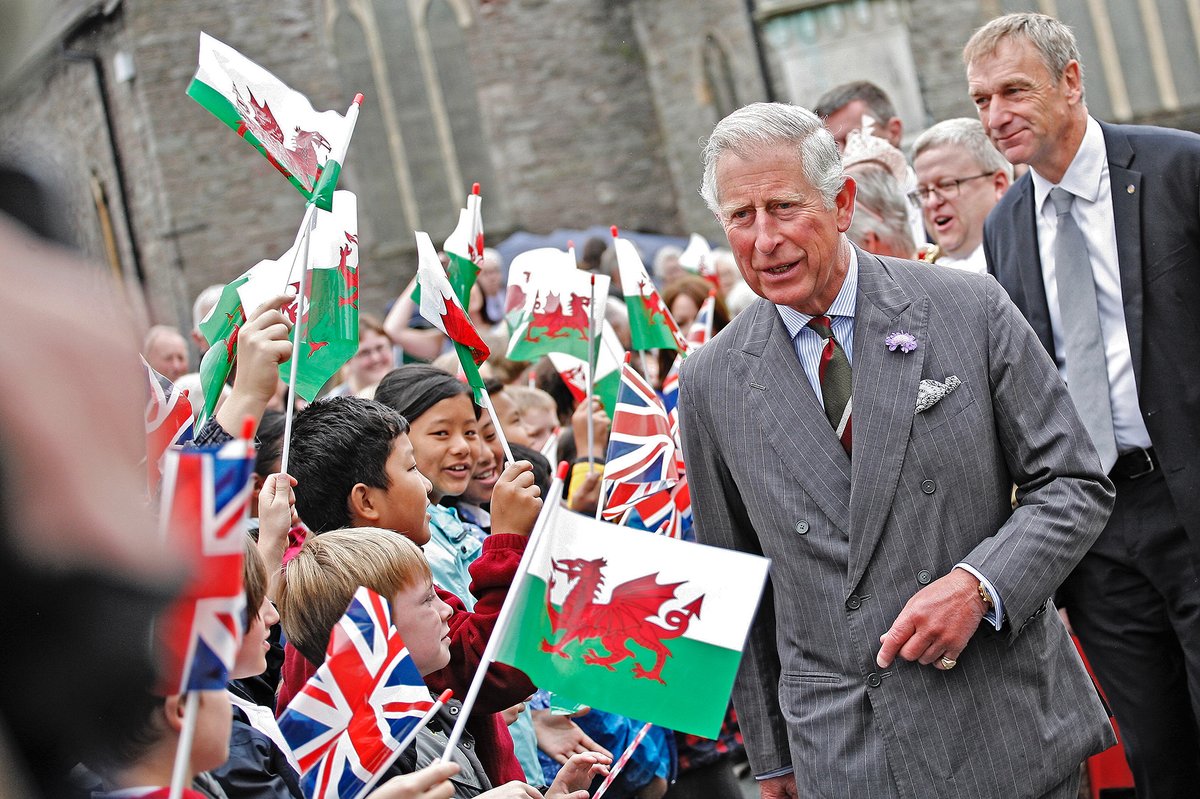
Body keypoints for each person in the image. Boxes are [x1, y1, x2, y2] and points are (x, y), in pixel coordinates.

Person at [679, 101, 1115, 798]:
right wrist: (772, 757)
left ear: (843, 201)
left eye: (785, 206)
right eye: (741, 216)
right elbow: (738, 583)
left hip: (1003, 721)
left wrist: (979, 584)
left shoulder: (967, 308)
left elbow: (1073, 481)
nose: (764, 239)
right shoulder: (710, 379)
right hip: (850, 750)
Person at [966, 12, 1200, 796]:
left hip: (1190, 497)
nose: (996, 115)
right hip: (1097, 535)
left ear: (1071, 81)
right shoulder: (1005, 227)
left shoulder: (1177, 169)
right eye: (981, 100)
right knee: (1159, 759)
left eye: (1013, 90)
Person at [282, 395, 538, 786]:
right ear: (366, 499)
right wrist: (507, 541)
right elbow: (498, 666)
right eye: (412, 467)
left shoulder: (394, 580)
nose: (427, 483)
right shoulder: (357, 599)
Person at [278, 527, 610, 798]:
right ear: (372, 629)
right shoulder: (358, 754)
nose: (448, 610)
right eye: (427, 600)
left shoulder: (432, 712)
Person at [910, 118, 1011, 273]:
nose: (932, 202)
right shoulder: (916, 273)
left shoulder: (1034, 254)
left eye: (946, 185)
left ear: (998, 185)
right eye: (923, 192)